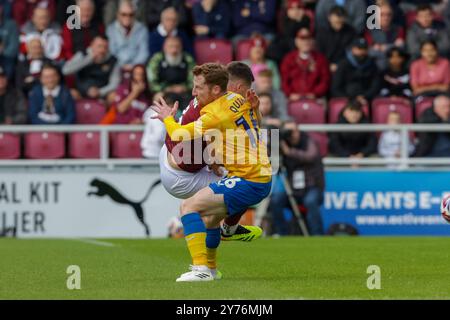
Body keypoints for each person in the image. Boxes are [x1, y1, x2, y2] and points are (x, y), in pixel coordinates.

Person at [152, 63, 272, 281]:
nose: (194, 92)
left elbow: (179, 134)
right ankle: (212, 268)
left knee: (188, 207)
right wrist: (254, 108)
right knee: (209, 219)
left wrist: (167, 118)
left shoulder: (214, 113)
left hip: (248, 179)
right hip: (254, 176)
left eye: (198, 87)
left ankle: (201, 270)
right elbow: (254, 123)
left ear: (216, 89)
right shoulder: (237, 100)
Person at [270, 120, 325, 235]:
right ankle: (282, 233)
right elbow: (271, 161)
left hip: (312, 187)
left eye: (293, 131)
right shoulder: (282, 144)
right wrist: (274, 143)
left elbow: (310, 156)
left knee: (310, 201)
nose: (292, 134)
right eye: (288, 131)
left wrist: (289, 151)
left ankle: (318, 235)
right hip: (293, 189)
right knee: (275, 200)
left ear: (298, 130)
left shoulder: (309, 141)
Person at [62, 35, 121, 105]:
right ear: (92, 45)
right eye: (99, 46)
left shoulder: (113, 60)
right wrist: (89, 59)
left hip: (101, 92)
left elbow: (115, 83)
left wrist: (100, 92)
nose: (102, 50)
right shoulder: (82, 54)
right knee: (71, 94)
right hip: (81, 91)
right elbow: (65, 71)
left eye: (105, 47)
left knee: (113, 96)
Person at [281, 27, 330, 102]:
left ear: (313, 41)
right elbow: (284, 80)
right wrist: (290, 93)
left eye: (308, 39)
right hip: (293, 98)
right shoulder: (289, 58)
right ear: (296, 41)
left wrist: (315, 93)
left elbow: (325, 80)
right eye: (302, 39)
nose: (306, 42)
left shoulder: (320, 59)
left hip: (315, 98)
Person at [147, 36, 195, 111]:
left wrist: (184, 87)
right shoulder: (156, 59)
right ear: (164, 47)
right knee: (158, 98)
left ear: (181, 47)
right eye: (171, 46)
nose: (174, 50)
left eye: (177, 46)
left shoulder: (188, 59)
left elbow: (194, 80)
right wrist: (167, 89)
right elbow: (152, 83)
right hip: (163, 92)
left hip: (184, 92)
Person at [331, 38, 381, 106]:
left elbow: (375, 85)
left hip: (366, 99)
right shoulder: (343, 64)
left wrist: (365, 96)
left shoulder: (372, 64)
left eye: (364, 49)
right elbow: (336, 87)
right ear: (353, 49)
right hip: (346, 99)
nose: (362, 51)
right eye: (359, 49)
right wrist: (351, 98)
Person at [106, 0, 149, 72]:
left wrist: (133, 65)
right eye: (124, 14)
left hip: (137, 68)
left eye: (131, 14)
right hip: (117, 67)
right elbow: (112, 51)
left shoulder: (142, 29)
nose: (127, 17)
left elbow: (144, 52)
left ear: (134, 15)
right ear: (118, 15)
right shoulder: (111, 29)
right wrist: (122, 65)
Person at [315, 6, 356, 73]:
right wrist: (327, 65)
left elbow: (350, 53)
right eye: (336, 21)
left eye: (341, 20)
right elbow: (319, 52)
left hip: (344, 67)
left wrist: (339, 65)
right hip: (324, 65)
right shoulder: (322, 32)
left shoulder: (350, 32)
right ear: (329, 18)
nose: (339, 20)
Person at [365, 2, 405, 69]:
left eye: (389, 15)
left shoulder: (399, 29)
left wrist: (382, 48)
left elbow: (401, 49)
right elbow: (370, 52)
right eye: (382, 15)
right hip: (376, 69)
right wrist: (393, 46)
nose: (386, 18)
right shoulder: (369, 31)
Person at [0, 3, 19, 78]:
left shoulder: (11, 24)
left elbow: (14, 47)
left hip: (6, 58)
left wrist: (2, 51)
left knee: (9, 64)